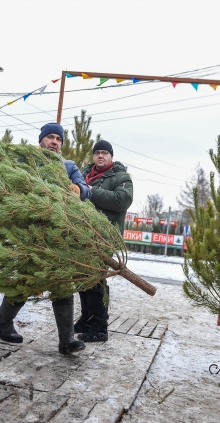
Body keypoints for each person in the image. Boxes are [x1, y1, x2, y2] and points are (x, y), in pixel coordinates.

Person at [0, 122, 89, 354]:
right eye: (50, 137)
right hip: (31, 232)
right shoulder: (26, 162)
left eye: (59, 139)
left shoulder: (68, 166)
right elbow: (9, 184)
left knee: (63, 281)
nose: (54, 142)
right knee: (27, 280)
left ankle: (67, 340)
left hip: (58, 232)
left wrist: (75, 189)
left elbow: (86, 190)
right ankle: (3, 322)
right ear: (41, 140)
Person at [76, 139, 133, 342]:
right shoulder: (84, 175)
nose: (100, 156)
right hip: (83, 235)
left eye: (104, 153)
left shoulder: (121, 177)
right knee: (83, 278)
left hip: (105, 237)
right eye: (97, 152)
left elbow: (121, 200)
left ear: (111, 156)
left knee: (96, 280)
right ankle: (87, 318)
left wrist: (89, 192)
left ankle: (100, 326)